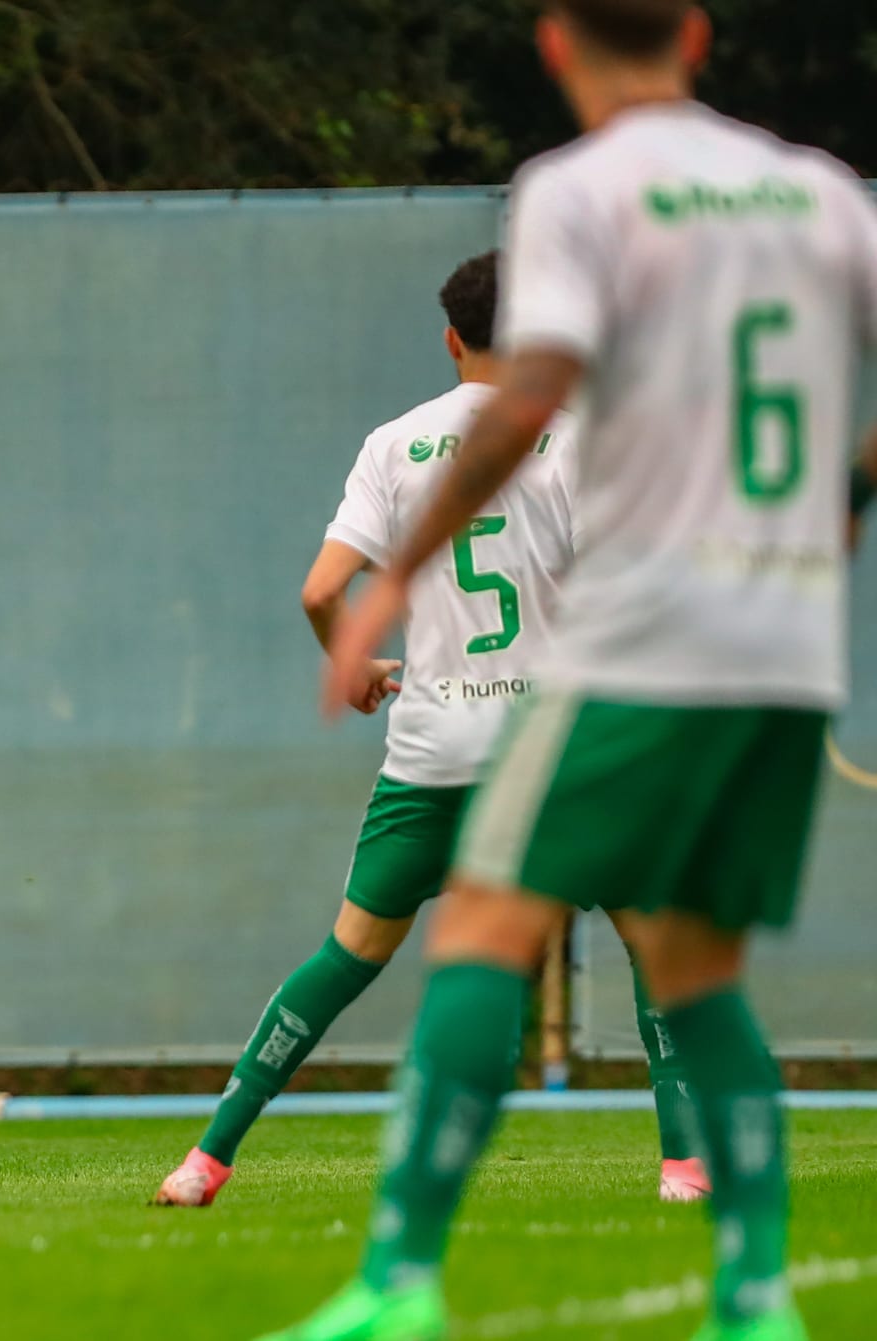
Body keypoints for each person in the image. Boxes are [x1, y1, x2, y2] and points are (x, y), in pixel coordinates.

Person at [280, 2, 877, 1338]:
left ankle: (400, 1282)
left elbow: (530, 394)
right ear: (700, 32)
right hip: (784, 640)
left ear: (554, 43)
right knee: (697, 967)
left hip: (650, 627)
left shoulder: (578, 188)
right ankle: (756, 1295)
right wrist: (840, 505)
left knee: (487, 926)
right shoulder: (823, 193)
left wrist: (390, 580)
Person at [155, 252, 707, 1211]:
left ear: (452, 340)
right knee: (654, 937)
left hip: (433, 752)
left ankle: (205, 1160)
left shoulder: (393, 445)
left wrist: (355, 663)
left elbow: (322, 591)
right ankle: (684, 1168)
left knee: (347, 952)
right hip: (554, 752)